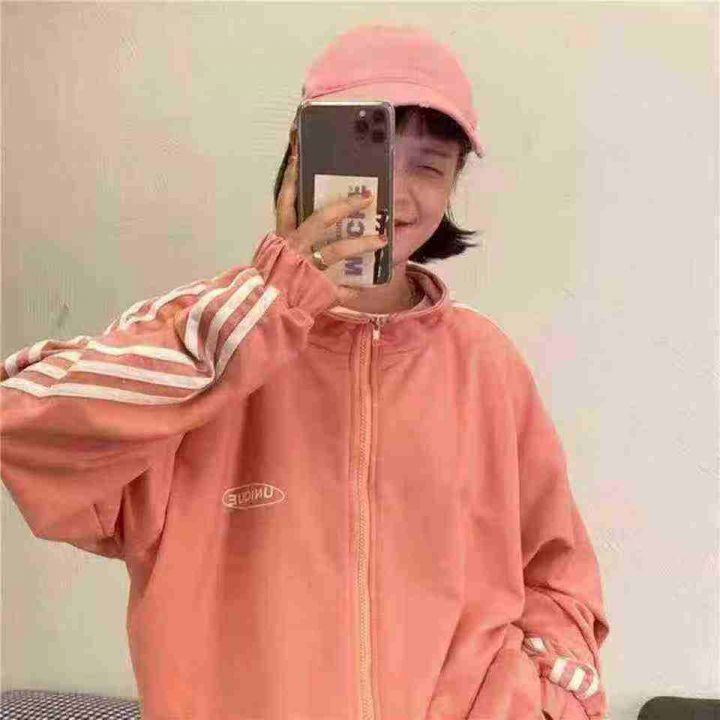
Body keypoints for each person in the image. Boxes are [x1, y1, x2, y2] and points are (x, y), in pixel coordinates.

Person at [0, 23, 610, 720]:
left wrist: (537, 704)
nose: (395, 194)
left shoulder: (485, 364)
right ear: (303, 158)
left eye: (429, 166)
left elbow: (559, 577)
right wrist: (271, 303)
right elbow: (24, 426)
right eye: (369, 157)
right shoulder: (204, 332)